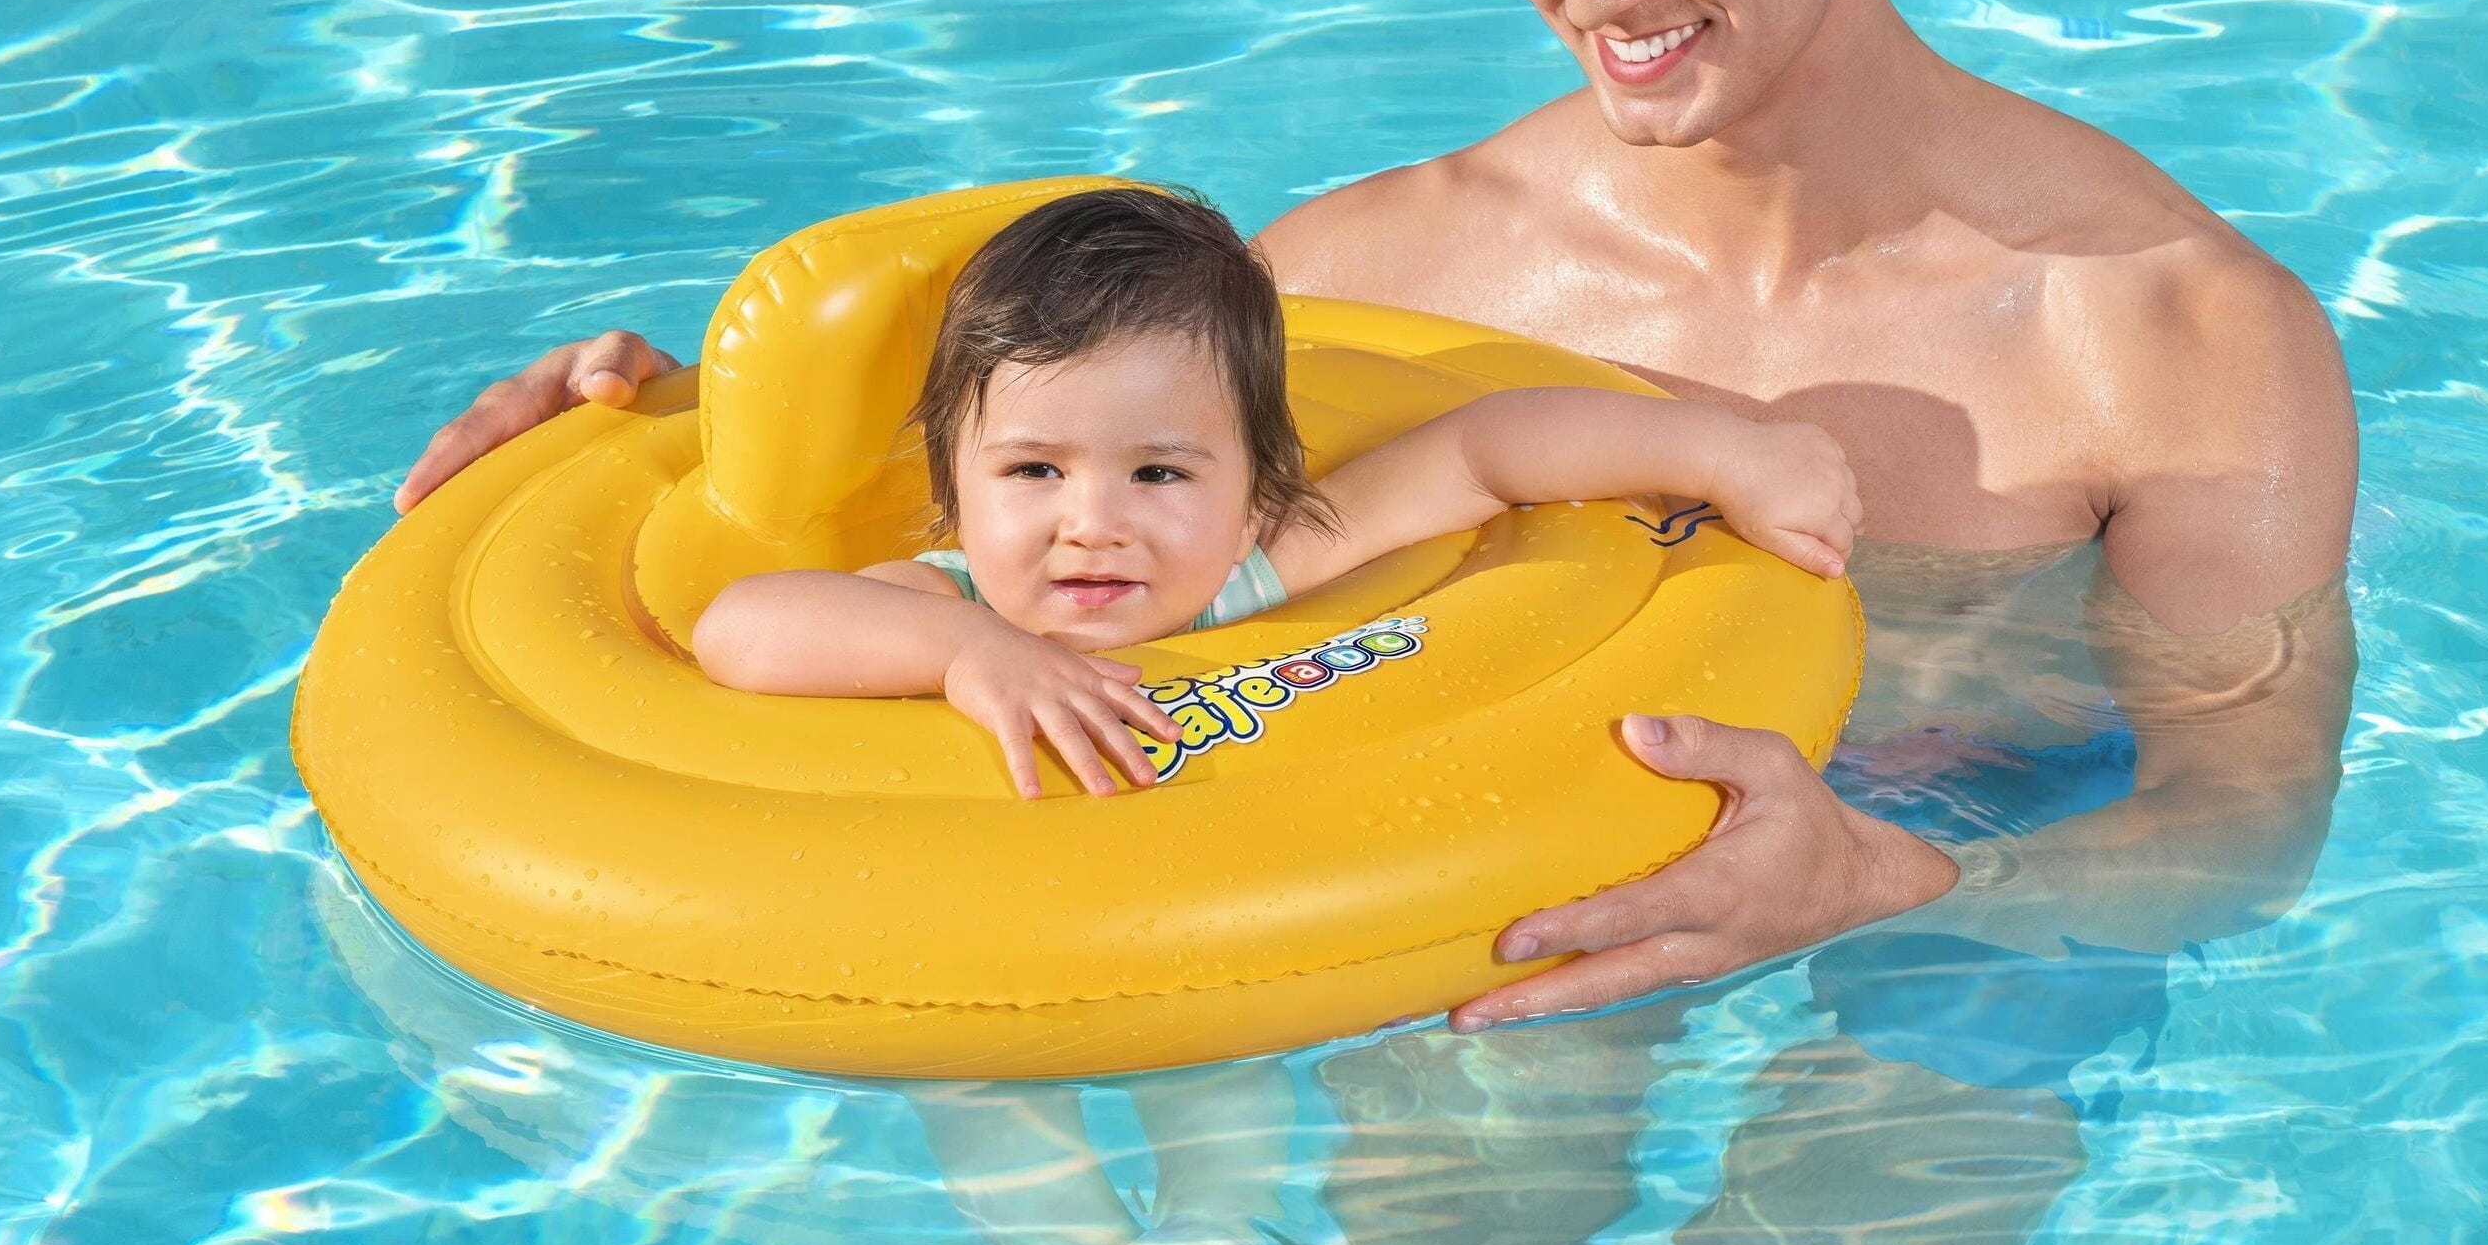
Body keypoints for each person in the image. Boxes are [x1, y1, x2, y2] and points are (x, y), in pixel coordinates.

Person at [395, 0, 2352, 1042]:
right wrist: (643, 434)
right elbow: (1037, 509)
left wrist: (1882, 885)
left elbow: (2245, 830)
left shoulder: (2171, 339)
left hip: (1967, 885)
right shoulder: (1374, 277)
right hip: (1487, 890)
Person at [691, 184, 1858, 798]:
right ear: (954, 487)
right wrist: (966, 653)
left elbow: (1486, 449)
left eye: (1158, 471)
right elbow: (739, 627)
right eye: (1034, 470)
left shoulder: (1263, 563)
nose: (1092, 523)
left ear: (1256, 486)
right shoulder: (948, 600)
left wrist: (1722, 452)